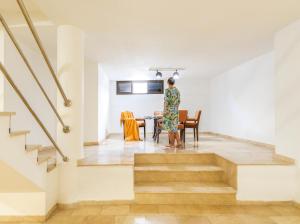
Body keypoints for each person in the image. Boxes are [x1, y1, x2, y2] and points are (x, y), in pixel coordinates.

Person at [163, 77, 182, 148]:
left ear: (168, 83)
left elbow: (166, 102)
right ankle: (179, 142)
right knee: (174, 127)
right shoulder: (177, 90)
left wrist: (164, 111)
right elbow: (179, 102)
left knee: (170, 128)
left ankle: (172, 144)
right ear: (173, 83)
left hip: (169, 111)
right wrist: (175, 108)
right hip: (175, 111)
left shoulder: (167, 90)